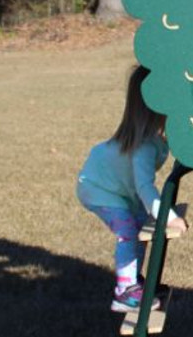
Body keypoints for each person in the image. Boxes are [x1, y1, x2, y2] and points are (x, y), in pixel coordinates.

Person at [77, 65, 187, 312]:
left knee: (139, 224)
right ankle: (125, 292)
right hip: (99, 189)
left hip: (118, 189)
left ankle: (134, 281)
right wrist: (170, 218)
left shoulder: (155, 140)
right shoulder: (143, 147)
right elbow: (146, 188)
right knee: (128, 228)